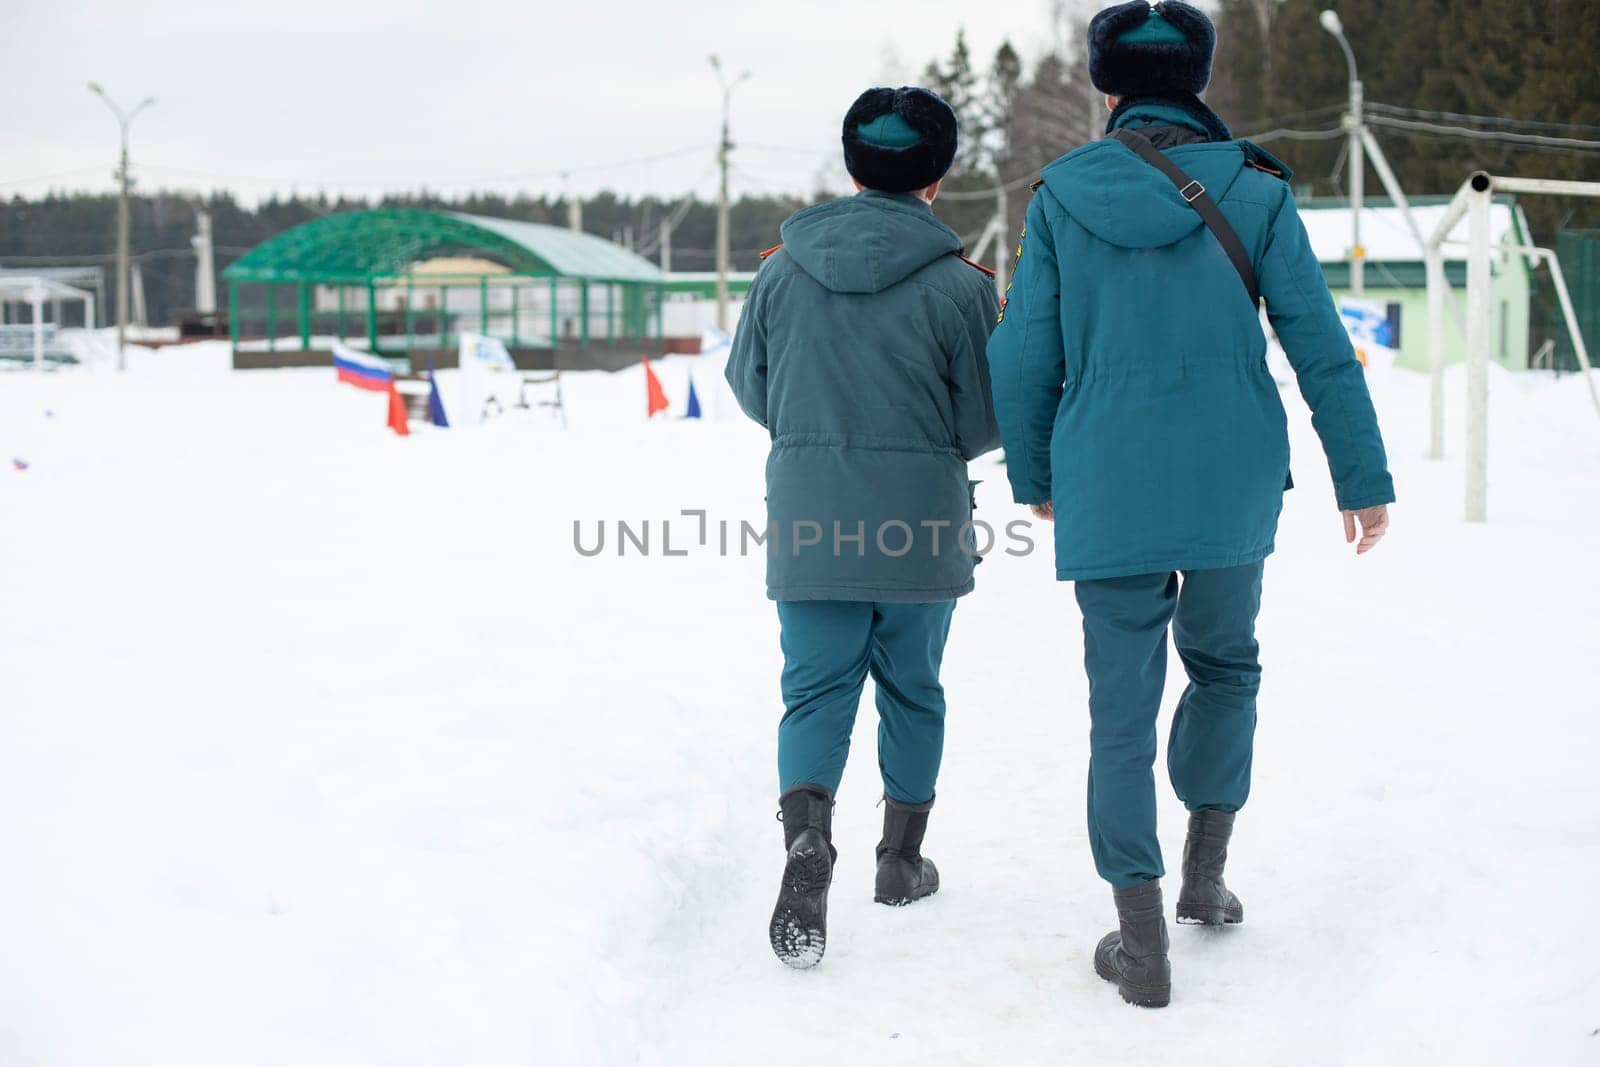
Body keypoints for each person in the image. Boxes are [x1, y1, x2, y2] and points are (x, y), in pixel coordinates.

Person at [986, 0, 1395, 1008]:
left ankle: (1139, 938)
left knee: (1118, 708)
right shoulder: (1253, 187)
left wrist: (1034, 475)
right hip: (1230, 473)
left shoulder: (1059, 193)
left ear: (1106, 84)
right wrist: (1362, 476)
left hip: (1105, 473)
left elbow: (1025, 350)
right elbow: (1314, 339)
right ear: (1199, 82)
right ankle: (1204, 876)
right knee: (1224, 662)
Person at [724, 86, 1001, 969]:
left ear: (853, 165)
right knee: (913, 689)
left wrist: (810, 433)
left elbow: (748, 384)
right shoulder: (962, 287)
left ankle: (807, 839)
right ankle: (900, 858)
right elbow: (984, 416)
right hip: (920, 519)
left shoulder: (780, 270)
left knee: (814, 691)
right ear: (939, 174)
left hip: (810, 513)